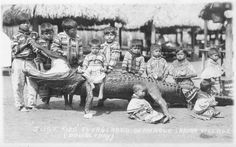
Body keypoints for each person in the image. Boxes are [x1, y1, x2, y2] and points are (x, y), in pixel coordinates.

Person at [51, 18, 83, 109]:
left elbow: (80, 50)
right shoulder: (60, 36)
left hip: (74, 63)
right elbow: (53, 48)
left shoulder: (78, 38)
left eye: (76, 29)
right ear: (66, 30)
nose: (75, 31)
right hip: (63, 63)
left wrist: (80, 60)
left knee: (73, 81)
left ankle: (71, 100)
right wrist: (62, 52)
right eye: (73, 29)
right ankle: (66, 102)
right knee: (66, 82)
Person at [11, 19, 38, 111]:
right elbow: (14, 50)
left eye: (28, 23)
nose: (26, 24)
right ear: (19, 24)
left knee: (33, 84)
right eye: (24, 23)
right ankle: (20, 105)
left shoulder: (34, 35)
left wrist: (36, 47)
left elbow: (38, 48)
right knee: (18, 83)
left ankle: (32, 104)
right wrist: (26, 43)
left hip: (31, 61)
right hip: (19, 61)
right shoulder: (16, 36)